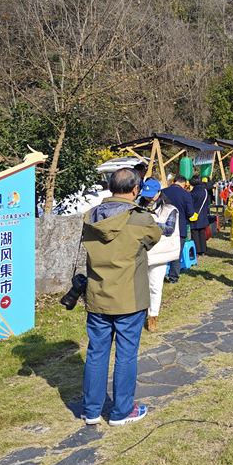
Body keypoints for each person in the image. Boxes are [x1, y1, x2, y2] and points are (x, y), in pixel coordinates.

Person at [80, 168, 161, 426]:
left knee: (96, 352)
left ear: (109, 186)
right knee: (126, 354)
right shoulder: (140, 218)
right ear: (136, 189)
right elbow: (155, 237)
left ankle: (91, 411)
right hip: (129, 297)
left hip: (98, 295)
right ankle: (122, 411)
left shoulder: (91, 216)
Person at [138, 180, 180, 332]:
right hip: (141, 252)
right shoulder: (139, 207)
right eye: (146, 196)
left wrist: (149, 221)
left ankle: (153, 317)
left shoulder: (170, 209)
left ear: (159, 192)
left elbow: (169, 229)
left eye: (152, 195)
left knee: (155, 286)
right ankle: (139, 314)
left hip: (159, 253)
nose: (149, 199)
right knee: (139, 287)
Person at [161, 175, 195, 284]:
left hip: (163, 225)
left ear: (174, 181)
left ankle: (160, 275)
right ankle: (173, 278)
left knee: (162, 252)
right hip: (179, 227)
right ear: (184, 184)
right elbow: (190, 213)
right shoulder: (186, 194)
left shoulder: (162, 192)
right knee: (176, 253)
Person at [188, 175, 210, 256]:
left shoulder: (193, 192)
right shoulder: (205, 190)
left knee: (195, 233)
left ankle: (197, 250)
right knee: (202, 233)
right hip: (203, 214)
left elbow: (191, 204)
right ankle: (203, 249)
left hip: (195, 214)